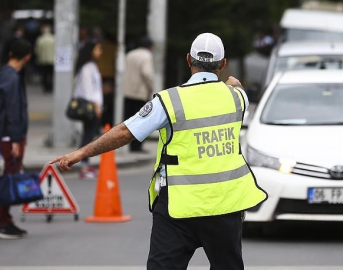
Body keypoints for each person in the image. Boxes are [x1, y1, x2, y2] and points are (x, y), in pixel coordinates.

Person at [51, 33, 267, 269]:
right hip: (226, 205)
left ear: (188, 60)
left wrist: (80, 154)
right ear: (223, 64)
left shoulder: (169, 101)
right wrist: (233, 83)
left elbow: (125, 132)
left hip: (178, 207)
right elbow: (236, 86)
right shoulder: (237, 98)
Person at [0, 38, 32, 239]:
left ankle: (5, 219)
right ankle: (3, 221)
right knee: (8, 179)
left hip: (8, 135)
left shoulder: (7, 74)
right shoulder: (11, 78)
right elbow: (12, 111)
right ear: (27, 56)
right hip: (8, 138)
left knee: (7, 178)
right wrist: (15, 139)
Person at [72, 41, 103, 179]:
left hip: (93, 106)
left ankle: (85, 164)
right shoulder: (87, 68)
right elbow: (88, 90)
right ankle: (83, 166)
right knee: (88, 136)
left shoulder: (91, 66)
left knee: (89, 135)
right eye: (98, 49)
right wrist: (96, 106)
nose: (100, 51)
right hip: (90, 107)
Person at [123, 36, 154, 152]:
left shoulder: (130, 54)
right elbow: (147, 73)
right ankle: (137, 146)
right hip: (140, 93)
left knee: (129, 120)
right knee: (141, 121)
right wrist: (150, 87)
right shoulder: (147, 56)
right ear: (150, 46)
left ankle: (130, 145)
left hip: (127, 92)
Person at [35, 24, 55, 93]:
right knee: (51, 75)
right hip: (52, 59)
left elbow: (37, 50)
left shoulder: (40, 39)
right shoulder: (53, 39)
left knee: (44, 75)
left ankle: (46, 87)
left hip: (43, 60)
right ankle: (51, 87)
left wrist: (38, 57)